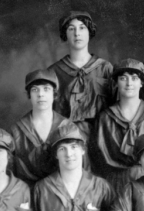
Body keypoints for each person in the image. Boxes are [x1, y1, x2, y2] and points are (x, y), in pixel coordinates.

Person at [93, 59, 144, 196]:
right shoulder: (105, 118)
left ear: (142, 82)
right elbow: (98, 159)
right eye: (123, 78)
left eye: (134, 78)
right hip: (113, 184)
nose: (129, 83)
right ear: (116, 82)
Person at [48, 11, 113, 152]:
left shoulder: (105, 68)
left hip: (101, 140)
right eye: (71, 29)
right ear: (65, 34)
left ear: (90, 31)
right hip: (66, 141)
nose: (77, 33)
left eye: (82, 27)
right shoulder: (54, 72)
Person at [9, 69, 75, 186]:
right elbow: (9, 171)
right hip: (26, 193)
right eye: (35, 90)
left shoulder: (68, 127)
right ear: (29, 94)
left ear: (54, 94)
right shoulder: (16, 130)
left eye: (46, 89)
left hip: (60, 194)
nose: (40, 94)